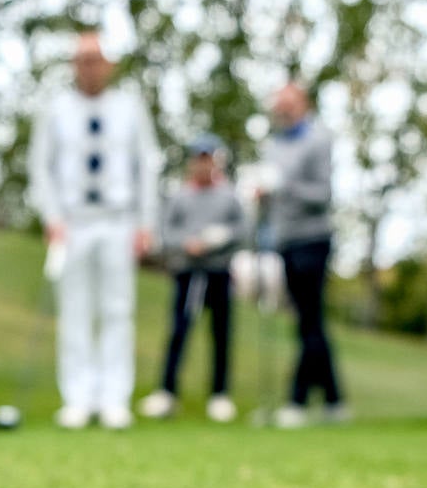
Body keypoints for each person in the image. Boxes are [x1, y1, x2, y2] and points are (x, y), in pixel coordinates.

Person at [28, 30, 160, 429]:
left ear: (108, 64)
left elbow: (147, 165)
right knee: (74, 310)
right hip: (73, 223)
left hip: (118, 220)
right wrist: (51, 217)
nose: (89, 67)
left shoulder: (130, 107)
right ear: (73, 65)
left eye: (95, 59)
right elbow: (41, 167)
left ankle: (114, 398)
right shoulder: (55, 109)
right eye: (82, 59)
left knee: (118, 310)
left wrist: (145, 222)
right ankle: (78, 398)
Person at [139, 134, 245, 423]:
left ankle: (220, 395)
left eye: (208, 158)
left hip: (218, 272)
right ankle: (167, 393)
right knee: (179, 331)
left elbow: (241, 230)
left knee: (221, 334)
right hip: (187, 272)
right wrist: (186, 243)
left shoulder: (229, 196)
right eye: (198, 158)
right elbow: (165, 232)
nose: (203, 164)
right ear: (192, 162)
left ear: (215, 161)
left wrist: (217, 241)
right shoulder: (179, 196)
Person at [257, 83, 346, 427]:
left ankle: (297, 400)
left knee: (308, 320)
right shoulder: (274, 145)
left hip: (313, 238)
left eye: (289, 105)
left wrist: (284, 187)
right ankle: (335, 401)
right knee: (310, 321)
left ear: (303, 105)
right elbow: (274, 197)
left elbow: (322, 194)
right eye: (279, 106)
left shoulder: (318, 140)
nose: (283, 111)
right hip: (285, 240)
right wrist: (265, 195)